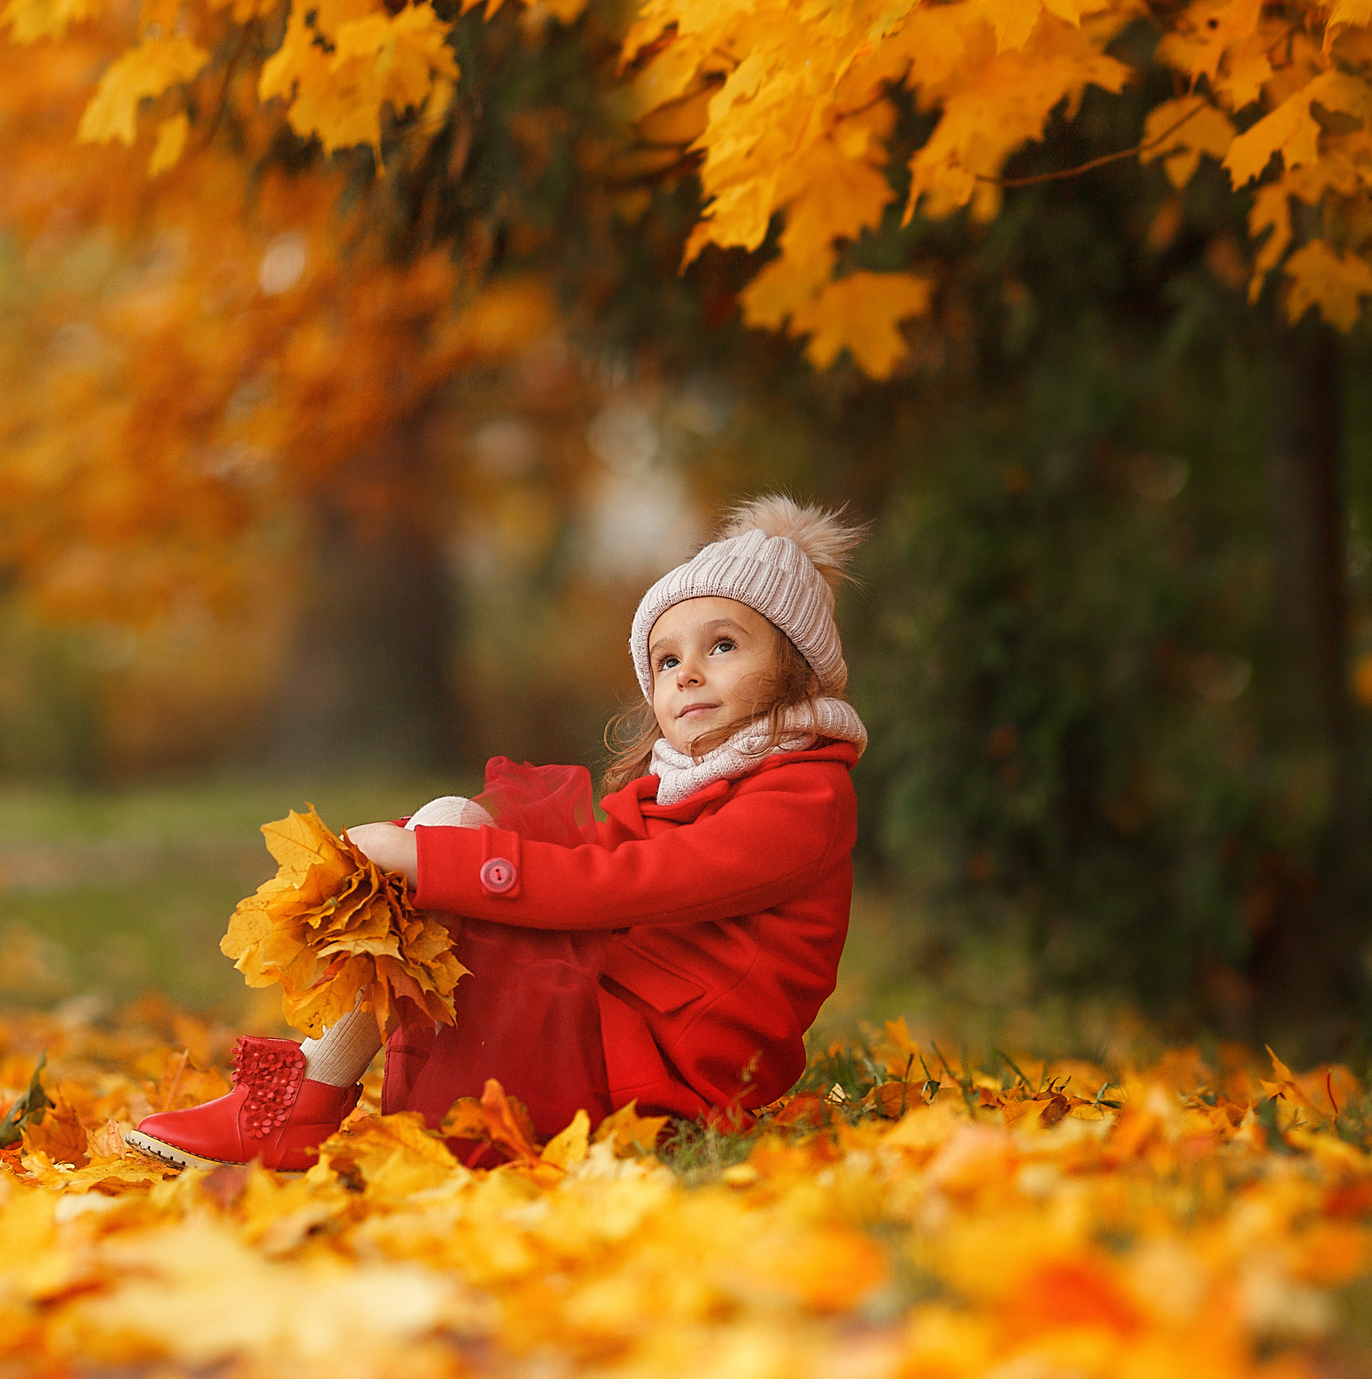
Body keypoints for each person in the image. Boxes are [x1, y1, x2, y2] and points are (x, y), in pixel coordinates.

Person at [125, 495, 868, 1173]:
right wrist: (419, 847)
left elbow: (624, 886)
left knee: (452, 849)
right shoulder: (677, 789)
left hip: (663, 1071)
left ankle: (298, 1106)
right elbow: (578, 861)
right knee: (455, 818)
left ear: (798, 671)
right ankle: (303, 1098)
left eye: (723, 646)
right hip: (614, 1025)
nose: (687, 674)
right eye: (667, 659)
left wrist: (433, 861)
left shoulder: (802, 797)